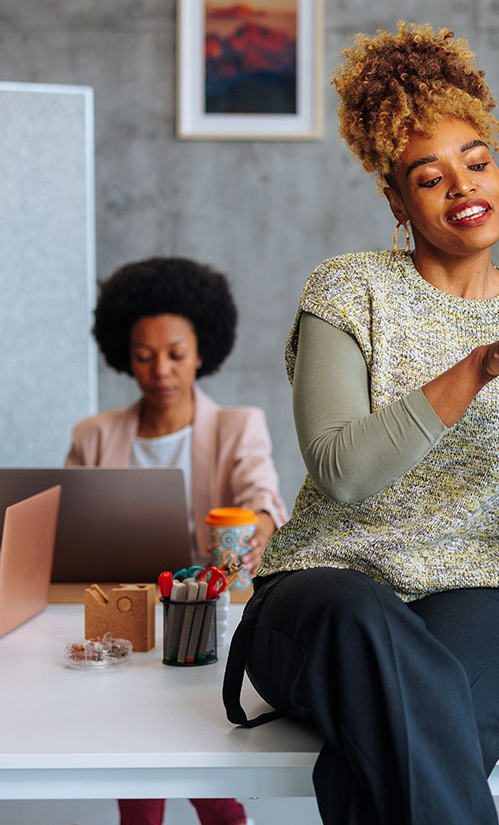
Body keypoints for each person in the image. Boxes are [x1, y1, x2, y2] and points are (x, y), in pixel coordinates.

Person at [223, 22, 499, 825]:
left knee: (399, 726)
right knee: (372, 636)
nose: (464, 187)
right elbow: (342, 473)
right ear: (397, 201)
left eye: (477, 162)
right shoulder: (348, 291)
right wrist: (477, 367)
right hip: (324, 593)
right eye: (429, 178)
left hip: (481, 594)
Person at [67, 256, 288, 825]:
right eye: (144, 356)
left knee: (198, 747)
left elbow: (263, 497)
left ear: (201, 352)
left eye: (175, 353)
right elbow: (68, 531)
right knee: (133, 750)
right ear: (125, 355)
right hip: (125, 613)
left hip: (204, 613)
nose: (159, 370)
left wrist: (262, 525)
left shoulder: (238, 425)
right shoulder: (94, 436)